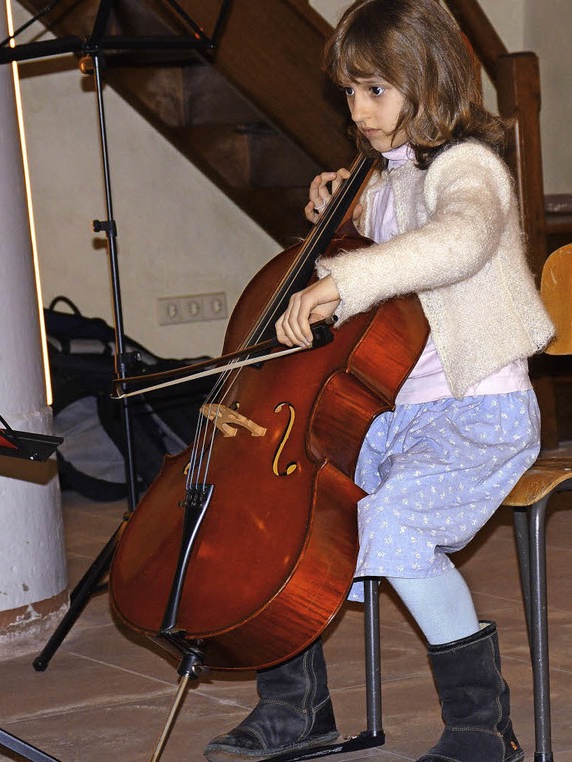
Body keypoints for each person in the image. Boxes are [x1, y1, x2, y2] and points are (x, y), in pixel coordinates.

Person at [203, 1, 555, 761]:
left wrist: (340, 279)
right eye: (351, 93)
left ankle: (481, 727)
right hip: (394, 417)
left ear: (427, 85)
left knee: (390, 525)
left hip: (478, 413)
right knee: (284, 518)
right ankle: (299, 712)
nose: (358, 112)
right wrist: (342, 212)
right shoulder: (392, 179)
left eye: (375, 91)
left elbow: (451, 242)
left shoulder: (470, 170)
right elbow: (392, 235)